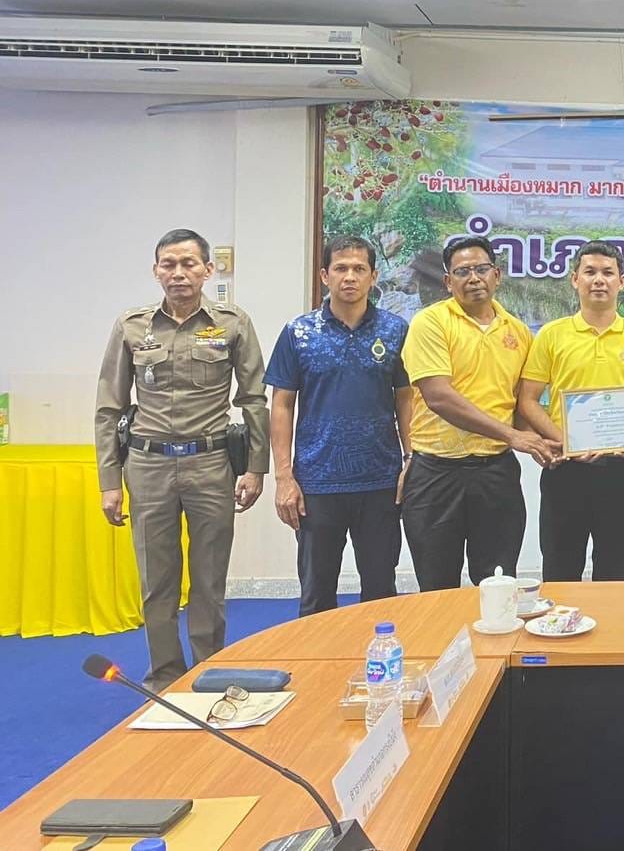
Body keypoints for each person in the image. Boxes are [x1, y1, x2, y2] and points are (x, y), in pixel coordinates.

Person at [93, 228, 268, 689]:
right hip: (148, 466)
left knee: (209, 580)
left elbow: (254, 399)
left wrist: (255, 468)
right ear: (156, 271)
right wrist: (109, 481)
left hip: (210, 465)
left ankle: (208, 673)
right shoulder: (132, 326)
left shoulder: (233, 323)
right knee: (157, 581)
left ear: (207, 270)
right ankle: (166, 677)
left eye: (189, 263)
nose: (178, 273)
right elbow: (109, 408)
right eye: (168, 264)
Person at [265, 236, 413, 616]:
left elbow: (406, 398)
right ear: (324, 275)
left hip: (380, 481)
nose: (350, 277)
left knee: (380, 592)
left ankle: (379, 656)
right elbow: (282, 405)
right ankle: (317, 657)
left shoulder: (396, 331)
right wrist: (283, 476)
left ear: (373, 276)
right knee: (316, 595)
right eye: (341, 268)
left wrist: (410, 458)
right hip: (316, 482)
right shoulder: (298, 332)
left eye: (359, 269)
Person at [401, 236, 556, 590]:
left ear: (496, 275)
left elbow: (520, 404)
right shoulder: (430, 323)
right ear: (447, 281)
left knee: (498, 584)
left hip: (496, 474)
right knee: (436, 587)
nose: (473, 278)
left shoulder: (518, 332)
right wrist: (514, 436)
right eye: (462, 272)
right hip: (436, 474)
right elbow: (439, 397)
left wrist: (551, 442)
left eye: (481, 269)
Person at [518, 240, 624, 581]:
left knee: (616, 575)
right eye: (590, 272)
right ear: (575, 279)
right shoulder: (551, 335)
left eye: (607, 273)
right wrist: (565, 440)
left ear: (622, 282)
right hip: (565, 473)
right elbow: (528, 400)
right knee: (560, 573)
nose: (599, 280)